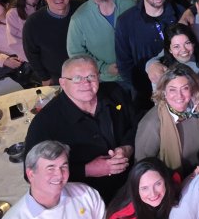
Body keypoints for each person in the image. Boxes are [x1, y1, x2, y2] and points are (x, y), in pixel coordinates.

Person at [25, 56, 137, 202]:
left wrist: (127, 148)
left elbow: (137, 123)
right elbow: (32, 174)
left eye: (91, 76)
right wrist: (87, 170)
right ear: (63, 83)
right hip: (84, 198)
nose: (86, 83)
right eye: (77, 78)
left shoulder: (115, 92)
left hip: (131, 183)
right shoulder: (45, 122)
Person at [116, 0, 178, 109]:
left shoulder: (179, 14)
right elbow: (124, 64)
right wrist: (141, 90)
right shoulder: (125, 21)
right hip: (143, 95)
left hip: (178, 89)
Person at [67, 0, 137, 84]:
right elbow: (76, 54)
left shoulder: (131, 3)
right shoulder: (78, 19)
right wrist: (104, 68)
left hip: (139, 72)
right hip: (107, 81)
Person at [135, 66, 199, 177]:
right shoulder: (151, 123)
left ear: (192, 88)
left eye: (185, 88)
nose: (179, 96)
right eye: (172, 89)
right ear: (164, 91)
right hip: (172, 184)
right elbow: (142, 169)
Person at [22, 0, 80, 87]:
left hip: (88, 71)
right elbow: (31, 53)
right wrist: (44, 77)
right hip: (57, 78)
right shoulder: (33, 23)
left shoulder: (82, 9)